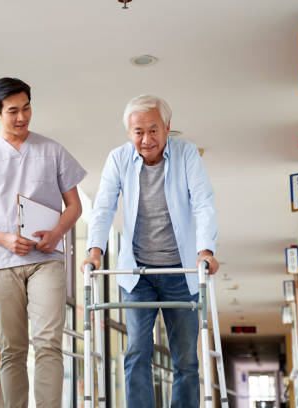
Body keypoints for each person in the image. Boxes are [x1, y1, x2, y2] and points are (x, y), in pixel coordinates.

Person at [0, 77, 86, 408]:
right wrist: (4, 239)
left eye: (26, 109)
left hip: (46, 259)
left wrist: (55, 234)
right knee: (12, 347)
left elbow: (75, 207)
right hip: (1, 262)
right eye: (13, 111)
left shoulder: (52, 150)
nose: (22, 117)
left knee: (49, 342)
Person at [81, 94, 219, 407]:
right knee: (136, 353)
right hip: (137, 273)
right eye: (138, 132)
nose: (146, 139)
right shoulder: (118, 159)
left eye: (153, 130)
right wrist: (93, 251)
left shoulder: (186, 155)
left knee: (186, 360)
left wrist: (205, 250)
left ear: (168, 127)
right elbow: (102, 207)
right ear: (129, 133)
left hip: (180, 273)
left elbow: (203, 202)